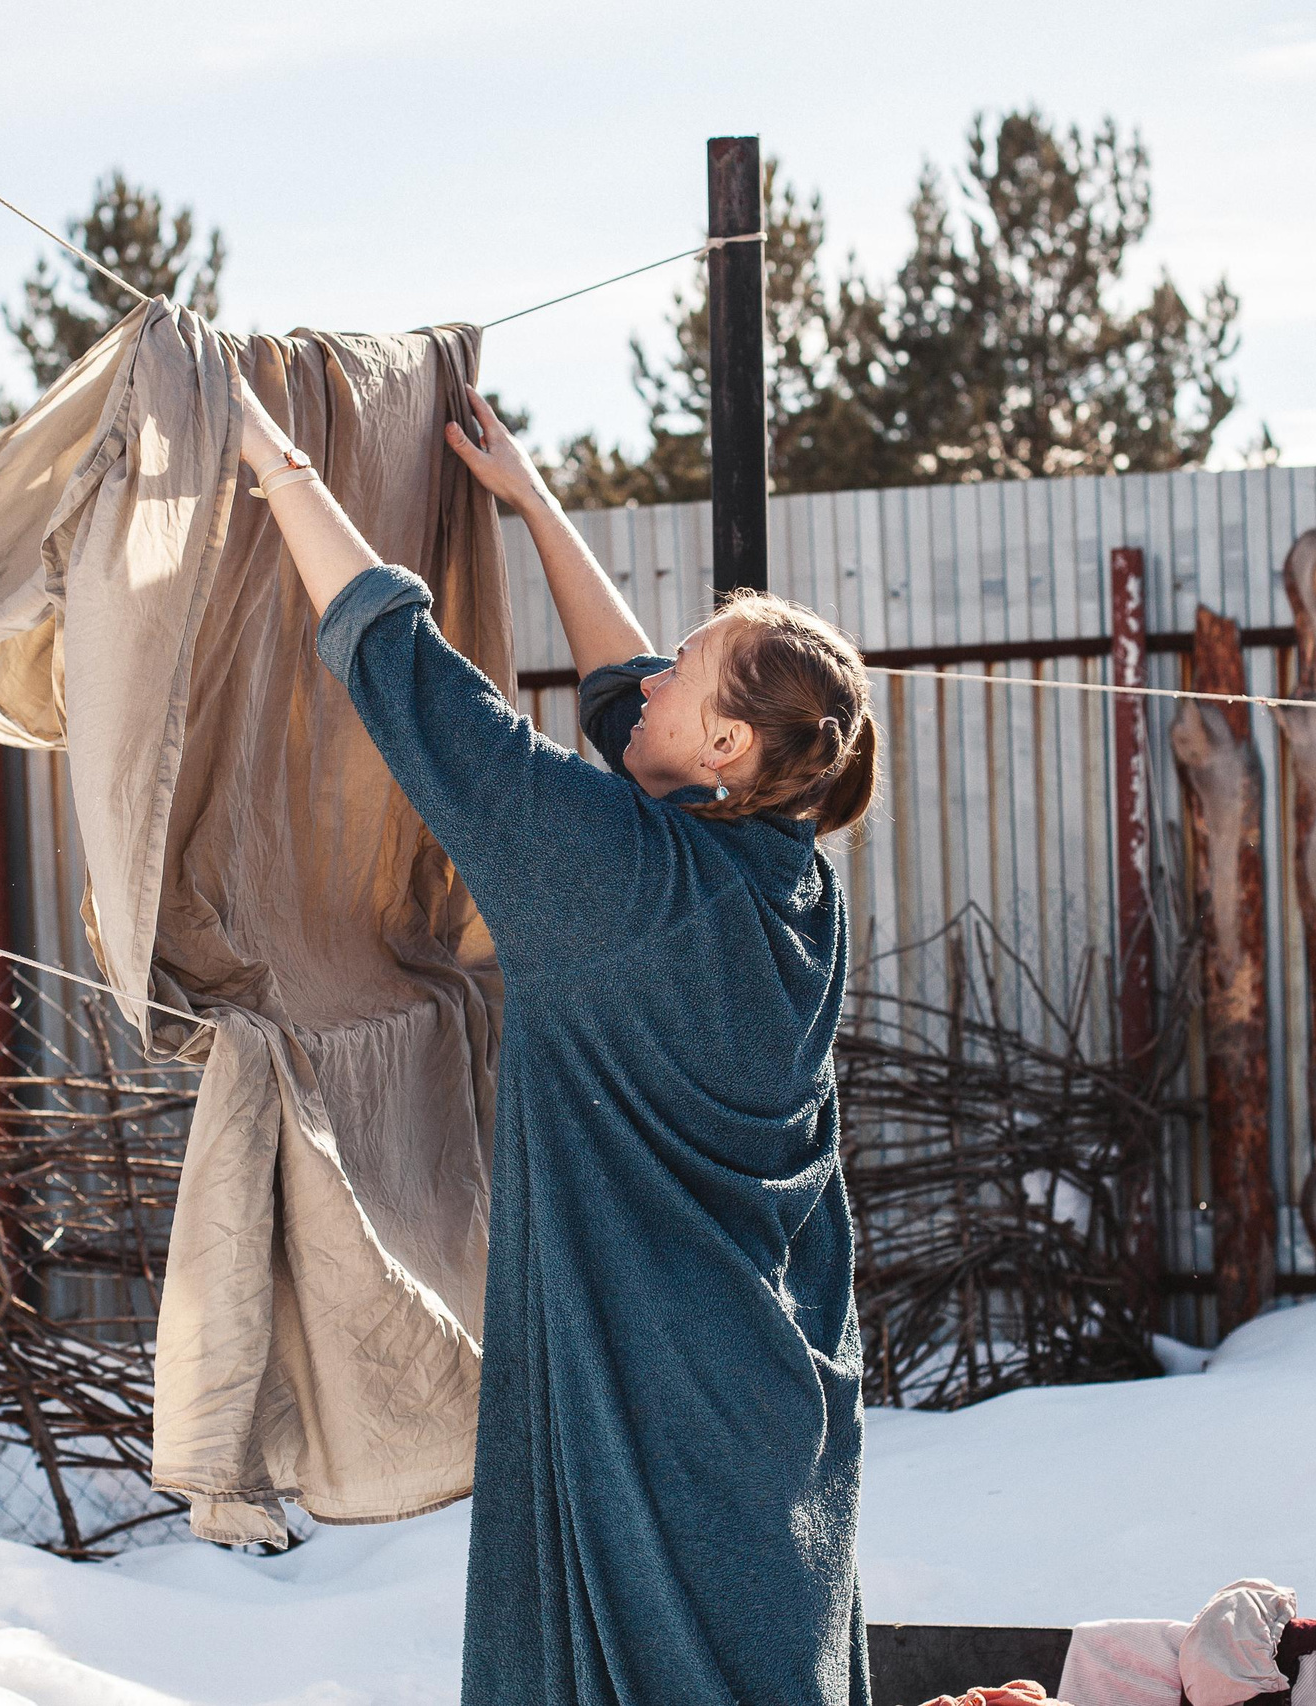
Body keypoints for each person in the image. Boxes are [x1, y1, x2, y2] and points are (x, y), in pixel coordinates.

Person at [241, 384, 879, 1706]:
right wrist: (532, 507)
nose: (647, 680)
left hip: (662, 1419)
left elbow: (413, 682)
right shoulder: (784, 870)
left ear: (726, 744)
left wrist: (274, 455)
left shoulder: (620, 884)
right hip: (768, 1419)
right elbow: (632, 705)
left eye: (684, 674)